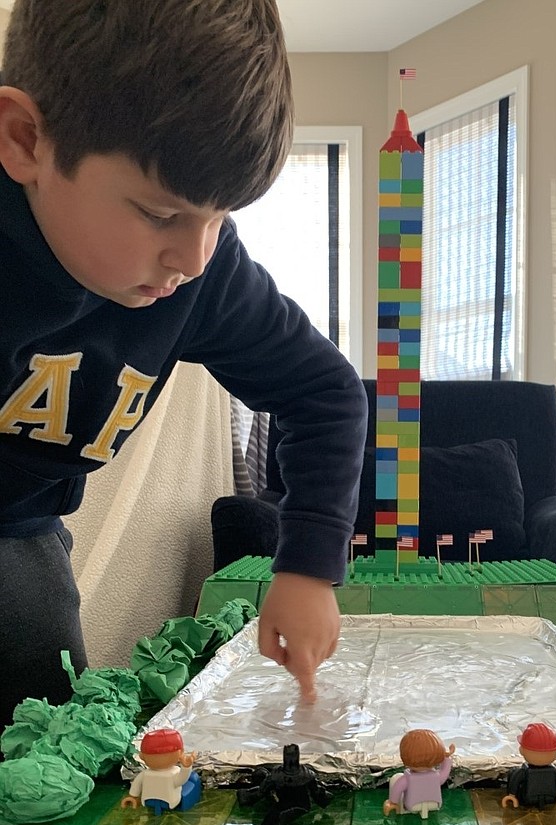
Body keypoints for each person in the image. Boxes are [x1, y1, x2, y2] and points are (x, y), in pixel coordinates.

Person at [0, 0, 367, 730]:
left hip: (23, 530)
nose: (192, 258)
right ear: (24, 140)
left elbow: (326, 393)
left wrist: (306, 567)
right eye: (161, 214)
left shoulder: (205, 277)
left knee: (45, 759)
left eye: (221, 218)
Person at [383, 729, 455, 819]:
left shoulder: (406, 779)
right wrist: (447, 759)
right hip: (435, 804)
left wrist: (392, 802)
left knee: (395, 779)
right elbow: (445, 772)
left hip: (412, 806)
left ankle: (398, 808)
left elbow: (397, 789)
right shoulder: (437, 777)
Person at [501, 722, 556, 810]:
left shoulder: (523, 771)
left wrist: (512, 795)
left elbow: (515, 781)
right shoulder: (555, 771)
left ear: (522, 750)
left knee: (513, 772)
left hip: (526, 799)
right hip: (551, 798)